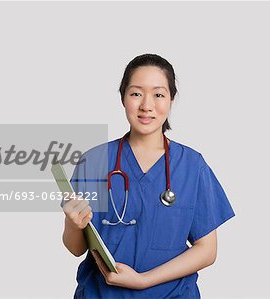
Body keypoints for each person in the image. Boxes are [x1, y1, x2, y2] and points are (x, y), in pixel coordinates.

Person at [61, 53, 235, 298]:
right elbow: (76, 247)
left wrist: (143, 281)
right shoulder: (94, 161)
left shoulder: (192, 166)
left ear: (171, 100)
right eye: (136, 93)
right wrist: (72, 223)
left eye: (158, 94)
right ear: (123, 98)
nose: (146, 105)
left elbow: (207, 250)